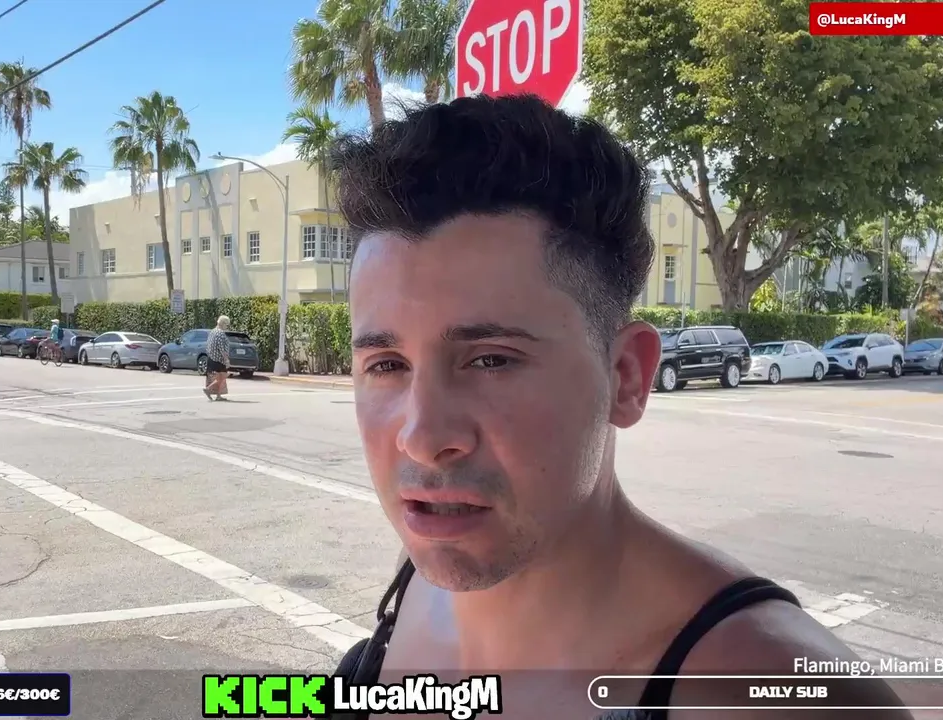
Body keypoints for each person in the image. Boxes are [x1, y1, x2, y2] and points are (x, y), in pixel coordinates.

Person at [328, 95, 909, 719]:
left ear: (626, 376)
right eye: (386, 365)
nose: (422, 437)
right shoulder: (423, 571)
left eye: (491, 360)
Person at [203, 316, 231, 401]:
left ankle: (218, 395)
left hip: (212, 358)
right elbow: (222, 348)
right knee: (222, 377)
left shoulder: (212, 331)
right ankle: (208, 389)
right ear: (223, 323)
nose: (227, 326)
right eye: (227, 324)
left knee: (220, 378)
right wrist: (226, 359)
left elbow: (208, 345)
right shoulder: (220, 333)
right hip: (219, 359)